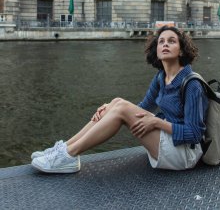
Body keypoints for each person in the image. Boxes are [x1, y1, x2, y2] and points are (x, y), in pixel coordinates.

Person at [31, 26, 208, 173]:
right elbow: (142, 107)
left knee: (121, 107)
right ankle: (65, 150)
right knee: (117, 102)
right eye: (161, 41)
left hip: (184, 154)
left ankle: (68, 155)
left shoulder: (191, 84)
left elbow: (195, 133)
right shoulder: (161, 77)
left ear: (182, 49)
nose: (165, 45)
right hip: (166, 142)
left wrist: (156, 123)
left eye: (171, 41)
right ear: (156, 49)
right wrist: (110, 109)